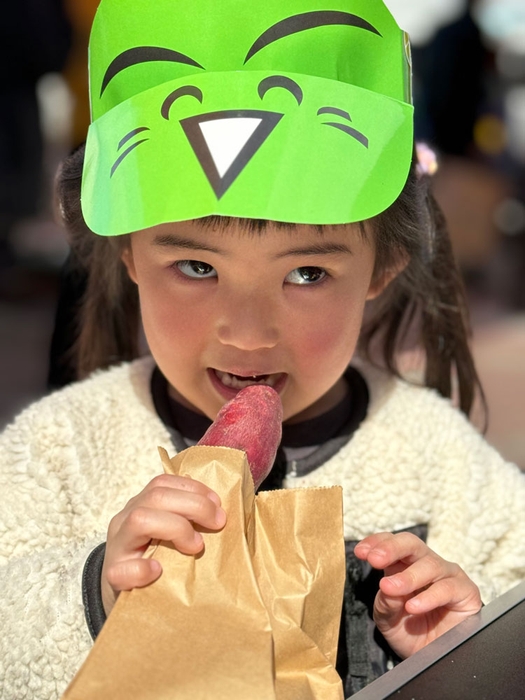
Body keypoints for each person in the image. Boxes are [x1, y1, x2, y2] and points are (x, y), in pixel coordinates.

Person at [1, 1, 525, 698]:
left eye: (306, 274)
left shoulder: (440, 457)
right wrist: (97, 591)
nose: (247, 333)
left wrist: (460, 646)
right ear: (129, 254)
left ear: (382, 267)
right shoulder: (59, 449)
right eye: (196, 267)